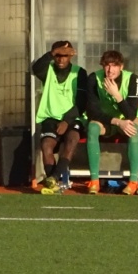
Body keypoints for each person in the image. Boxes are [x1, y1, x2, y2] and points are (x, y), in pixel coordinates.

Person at [31, 40, 87, 194]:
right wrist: (52, 52)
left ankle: (54, 177)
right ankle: (53, 184)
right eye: (58, 55)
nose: (61, 59)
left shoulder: (79, 73)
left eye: (65, 55)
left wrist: (66, 121)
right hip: (50, 117)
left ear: (71, 56)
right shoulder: (47, 70)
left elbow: (82, 102)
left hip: (72, 117)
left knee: (72, 138)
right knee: (46, 145)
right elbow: (36, 68)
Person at [85, 50, 138, 195]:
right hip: (107, 120)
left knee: (132, 130)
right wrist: (117, 122)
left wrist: (116, 95)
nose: (110, 70)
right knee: (92, 128)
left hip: (127, 119)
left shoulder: (132, 78)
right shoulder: (93, 78)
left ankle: (133, 181)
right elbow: (92, 112)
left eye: (114, 65)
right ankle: (94, 181)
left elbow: (131, 114)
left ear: (121, 66)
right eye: (107, 65)